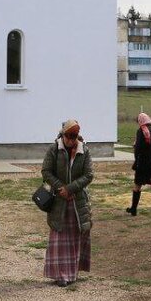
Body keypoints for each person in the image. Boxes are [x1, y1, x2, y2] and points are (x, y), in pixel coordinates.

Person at [42, 119, 94, 287]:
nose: (71, 140)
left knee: (75, 238)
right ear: (63, 134)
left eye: (74, 136)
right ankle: (60, 274)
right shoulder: (54, 149)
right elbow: (46, 171)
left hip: (77, 202)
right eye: (69, 136)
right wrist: (60, 188)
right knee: (59, 239)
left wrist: (70, 189)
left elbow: (89, 175)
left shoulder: (84, 151)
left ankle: (72, 273)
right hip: (59, 202)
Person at [126, 112, 151, 218]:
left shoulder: (141, 131)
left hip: (144, 162)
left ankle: (134, 209)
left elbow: (138, 148)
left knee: (137, 184)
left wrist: (135, 153)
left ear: (141, 121)